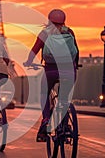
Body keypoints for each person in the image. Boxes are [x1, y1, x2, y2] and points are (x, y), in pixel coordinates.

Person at [23, 9, 79, 142]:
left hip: (51, 70)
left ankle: (46, 119)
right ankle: (65, 125)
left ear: (49, 20)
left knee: (44, 93)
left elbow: (34, 50)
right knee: (64, 98)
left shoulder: (44, 33)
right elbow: (76, 50)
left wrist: (29, 62)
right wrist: (75, 65)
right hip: (69, 71)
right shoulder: (69, 32)